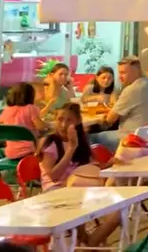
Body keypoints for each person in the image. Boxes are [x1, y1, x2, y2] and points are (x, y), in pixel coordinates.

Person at [37, 104, 119, 245]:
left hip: (80, 189)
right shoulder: (50, 142)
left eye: (69, 120)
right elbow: (53, 176)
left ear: (78, 122)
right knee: (77, 217)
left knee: (117, 214)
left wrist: (109, 163)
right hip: (56, 192)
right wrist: (71, 149)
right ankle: (88, 245)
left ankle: (89, 245)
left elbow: (90, 168)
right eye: (60, 119)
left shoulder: (82, 141)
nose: (63, 125)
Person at [92, 59, 148, 152]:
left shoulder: (132, 89)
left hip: (132, 139)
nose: (120, 77)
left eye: (123, 73)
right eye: (119, 73)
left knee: (90, 138)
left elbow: (110, 119)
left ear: (136, 72)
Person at [0, 83, 46, 159]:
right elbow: (41, 127)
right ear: (30, 96)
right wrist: (51, 124)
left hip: (10, 153)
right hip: (30, 152)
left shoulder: (7, 110)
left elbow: (1, 127)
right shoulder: (31, 108)